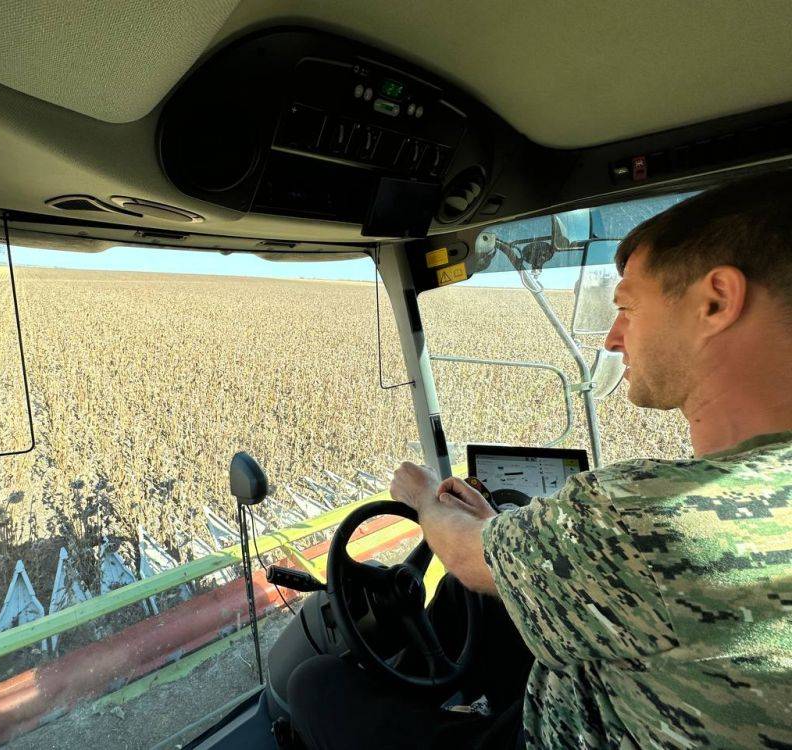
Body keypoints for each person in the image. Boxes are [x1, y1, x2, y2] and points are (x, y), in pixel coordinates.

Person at [288, 170, 792, 748]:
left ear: (715, 301)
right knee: (471, 603)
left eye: (627, 306)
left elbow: (468, 557)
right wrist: (499, 531)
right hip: (635, 696)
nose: (612, 337)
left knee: (317, 686)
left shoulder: (653, 516)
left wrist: (427, 500)